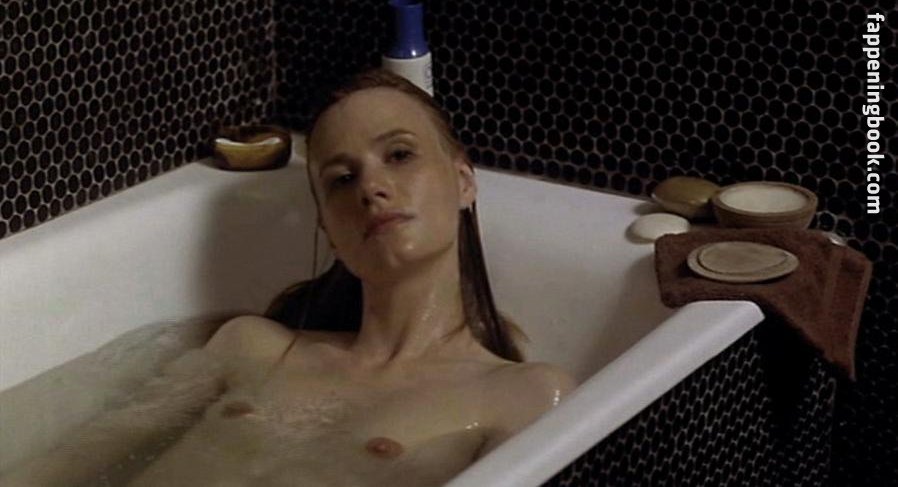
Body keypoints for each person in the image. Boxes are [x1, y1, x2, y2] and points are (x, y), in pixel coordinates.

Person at [0, 69, 576, 487]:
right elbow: (69, 463)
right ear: (328, 227)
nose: (371, 187)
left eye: (399, 155)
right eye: (341, 179)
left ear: (464, 181)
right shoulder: (250, 346)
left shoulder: (521, 394)